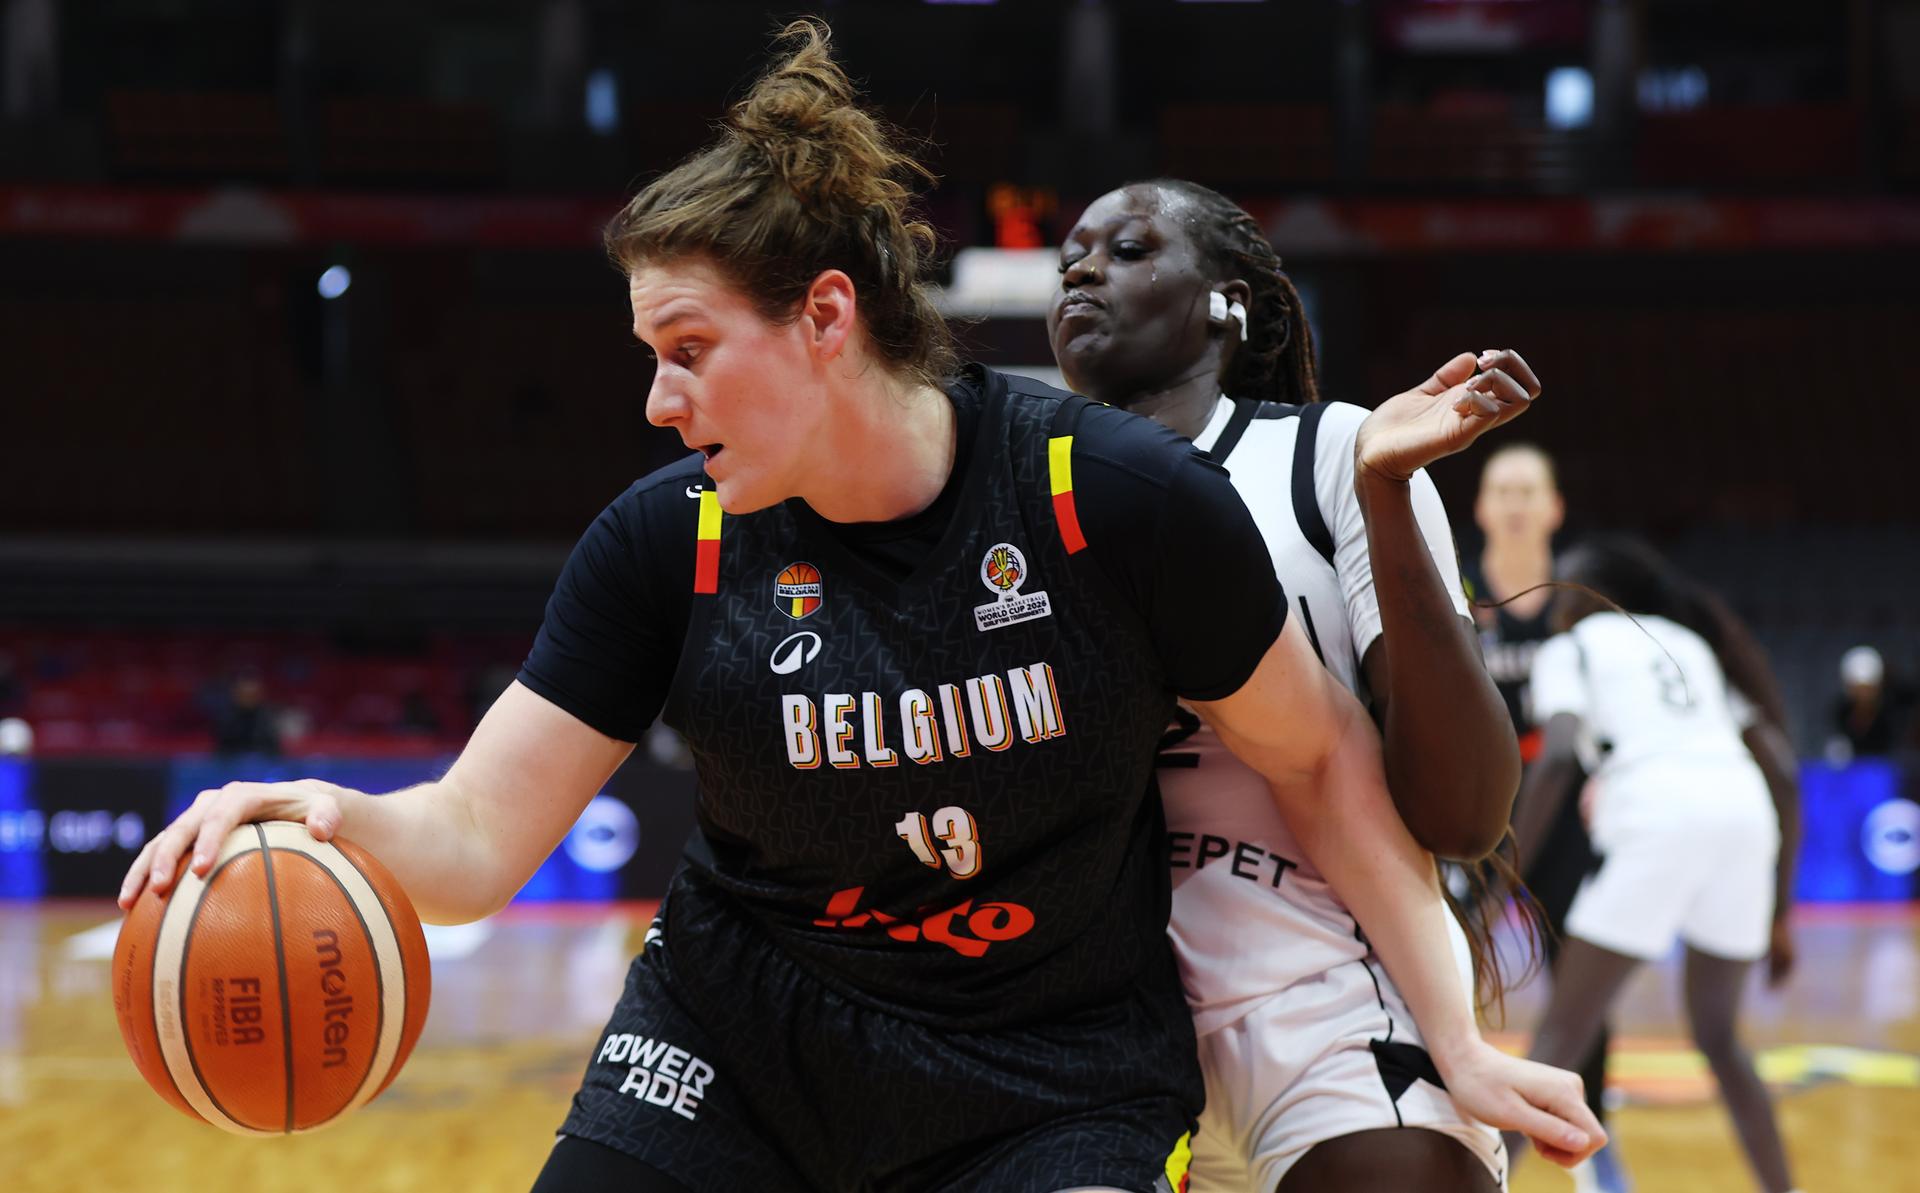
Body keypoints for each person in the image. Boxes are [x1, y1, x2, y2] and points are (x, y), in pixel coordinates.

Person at [119, 23, 1598, 1193]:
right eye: (651, 355)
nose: (656, 399)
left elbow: (1327, 759)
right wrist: (323, 812)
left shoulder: (1104, 496)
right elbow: (469, 842)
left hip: (1048, 1067)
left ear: (828, 317)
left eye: (688, 348)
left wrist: (1457, 1041)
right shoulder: (670, 543)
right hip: (742, 1040)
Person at [1047, 179, 1546, 1193]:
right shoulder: (1019, 485)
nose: (1083, 270)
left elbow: (1464, 810)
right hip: (1088, 1023)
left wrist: (1387, 495)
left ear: (1229, 301)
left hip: (1321, 998)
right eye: (1071, 258)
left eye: (1130, 248)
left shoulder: (1330, 453)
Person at [1507, 537, 1802, 1193]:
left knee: (1559, 1039)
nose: (1553, 598)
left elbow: (1555, 758)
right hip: (1745, 815)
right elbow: (1782, 774)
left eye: (1563, 585)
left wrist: (1504, 864)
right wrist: (1780, 913)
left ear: (1586, 596)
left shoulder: (1571, 648)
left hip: (1660, 814)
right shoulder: (1687, 643)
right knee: (1721, 1038)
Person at [1460, 443, 1622, 1190]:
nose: (1518, 502)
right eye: (1504, 488)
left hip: (1564, 815)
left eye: (1530, 489)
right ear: (1482, 507)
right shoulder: (1455, 591)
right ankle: (1441, 1104)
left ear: (1554, 506)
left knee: (1580, 978)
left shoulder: (1579, 600)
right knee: (1444, 959)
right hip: (1470, 813)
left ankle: (1590, 1136)